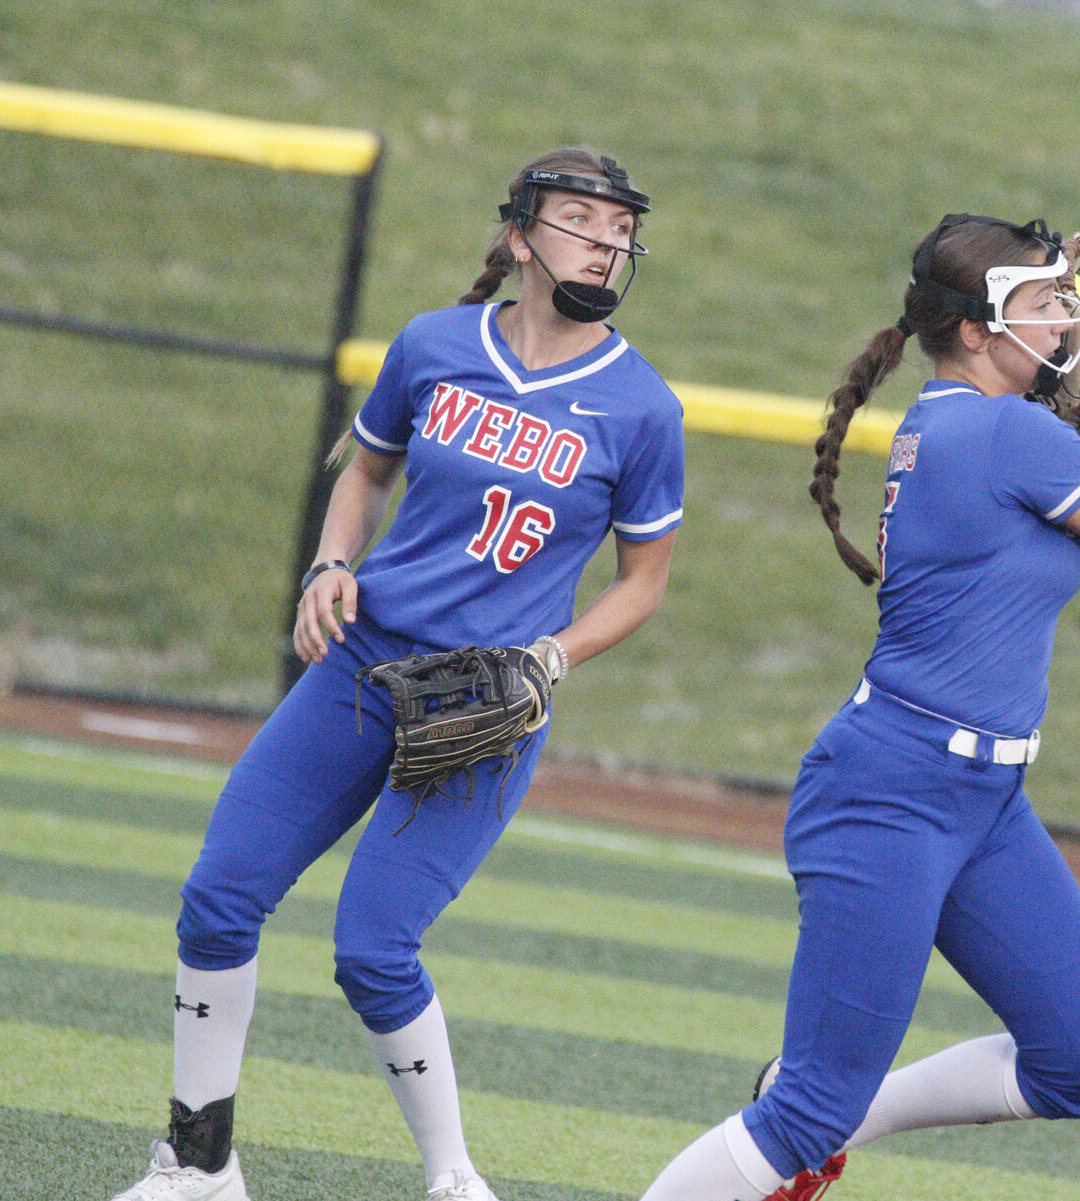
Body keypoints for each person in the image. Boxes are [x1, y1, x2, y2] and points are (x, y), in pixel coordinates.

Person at [109, 147, 685, 1201]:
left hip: (484, 702)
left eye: (619, 226)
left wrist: (552, 656)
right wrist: (331, 562)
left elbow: (643, 582)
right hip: (360, 669)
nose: (608, 240)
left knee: (375, 951)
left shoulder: (643, 407)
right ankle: (197, 1166)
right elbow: (366, 466)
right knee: (217, 898)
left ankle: (455, 1179)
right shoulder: (431, 345)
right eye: (580, 219)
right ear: (519, 237)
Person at [637, 212, 1080, 1201]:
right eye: (1044, 302)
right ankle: (819, 1115)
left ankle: (851, 1110)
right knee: (806, 1108)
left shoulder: (959, 420)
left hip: (981, 801)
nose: (1072, 315)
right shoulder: (1004, 430)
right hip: (892, 789)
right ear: (975, 332)